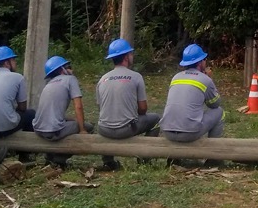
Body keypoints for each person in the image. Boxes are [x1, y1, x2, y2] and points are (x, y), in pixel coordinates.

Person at [97, 38, 161, 170]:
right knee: (156, 119)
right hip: (125, 130)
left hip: (104, 129)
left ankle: (108, 161)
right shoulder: (136, 77)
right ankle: (144, 159)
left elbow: (101, 107)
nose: (132, 56)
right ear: (126, 57)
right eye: (131, 54)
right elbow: (143, 109)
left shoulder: (102, 79)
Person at [33, 55, 92, 169]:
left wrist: (71, 119)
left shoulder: (48, 85)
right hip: (53, 131)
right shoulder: (70, 79)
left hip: (38, 129)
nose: (71, 69)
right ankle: (60, 159)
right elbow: (78, 106)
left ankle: (49, 157)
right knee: (88, 126)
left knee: (71, 122)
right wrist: (82, 130)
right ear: (62, 69)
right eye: (69, 66)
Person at [160, 43, 224, 142]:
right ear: (199, 62)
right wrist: (210, 79)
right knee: (220, 112)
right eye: (204, 59)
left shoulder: (175, 77)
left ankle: (178, 157)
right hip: (189, 134)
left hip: (167, 131)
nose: (205, 61)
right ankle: (213, 154)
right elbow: (215, 104)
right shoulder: (205, 79)